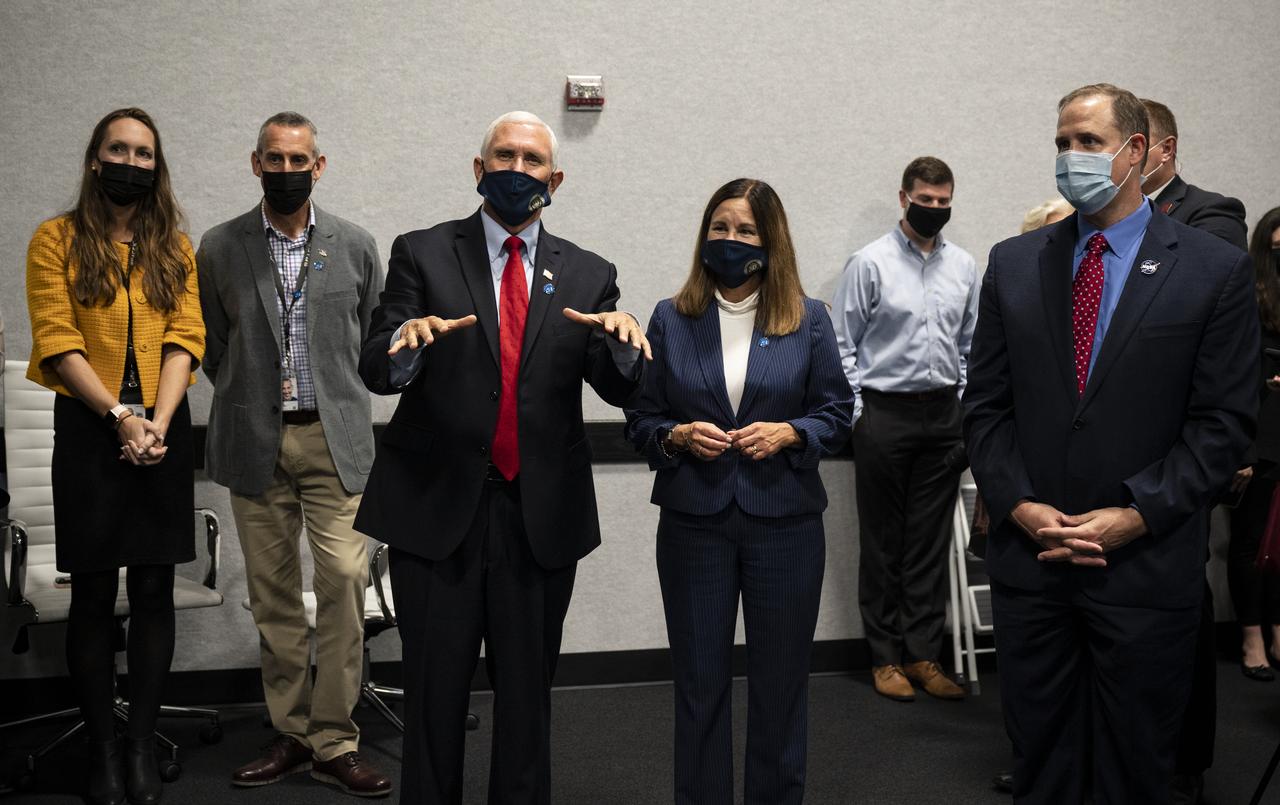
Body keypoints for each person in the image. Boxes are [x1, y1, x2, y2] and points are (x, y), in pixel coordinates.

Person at [964, 83, 1258, 804]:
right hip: (1034, 565)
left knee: (1136, 772)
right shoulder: (1014, 263)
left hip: (1145, 567)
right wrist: (1021, 506)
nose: (1071, 157)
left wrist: (1134, 513)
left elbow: (1223, 424)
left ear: (1135, 152)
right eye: (1062, 143)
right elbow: (985, 408)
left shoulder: (1213, 268)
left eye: (1088, 143)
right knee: (1042, 766)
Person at [354, 110, 649, 805]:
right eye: (504, 156)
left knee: (526, 702)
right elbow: (375, 363)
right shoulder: (422, 252)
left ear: (557, 177)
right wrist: (408, 344)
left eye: (532, 159)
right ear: (478, 168)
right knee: (432, 698)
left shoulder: (589, 271)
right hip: (436, 513)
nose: (518, 169)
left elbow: (616, 382)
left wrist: (627, 345)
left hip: (538, 518)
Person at [624, 178, 853, 804]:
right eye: (719, 228)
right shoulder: (671, 317)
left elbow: (838, 412)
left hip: (786, 523)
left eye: (746, 231)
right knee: (699, 685)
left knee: (781, 687)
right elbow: (641, 421)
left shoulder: (809, 319)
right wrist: (675, 435)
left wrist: (791, 431)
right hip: (694, 523)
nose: (730, 240)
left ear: (771, 240)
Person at [196, 112, 390, 797]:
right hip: (254, 437)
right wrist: (251, 396)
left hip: (334, 439)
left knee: (342, 579)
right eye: (273, 160)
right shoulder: (219, 247)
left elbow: (368, 339)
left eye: (297, 159)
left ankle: (335, 740)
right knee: (273, 595)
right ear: (255, 164)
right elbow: (212, 346)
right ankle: (291, 729)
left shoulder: (357, 244)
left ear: (320, 164)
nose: (285, 171)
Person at [25, 107, 205, 805]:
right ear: (96, 159)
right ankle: (102, 748)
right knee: (95, 595)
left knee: (156, 591)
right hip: (91, 429)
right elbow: (56, 335)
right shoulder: (56, 239)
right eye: (118, 149)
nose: (131, 161)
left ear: (155, 167)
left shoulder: (174, 247)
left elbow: (186, 334)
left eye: (143, 152)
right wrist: (121, 417)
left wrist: (157, 421)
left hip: (161, 426)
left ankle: (140, 746)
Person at [831, 156, 978, 701]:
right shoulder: (868, 263)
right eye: (925, 199)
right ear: (904, 197)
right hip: (884, 413)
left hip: (943, 416)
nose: (934, 208)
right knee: (884, 541)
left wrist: (962, 407)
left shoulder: (964, 266)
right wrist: (859, 416)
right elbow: (843, 345)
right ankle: (884, 658)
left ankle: (922, 656)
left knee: (928, 542)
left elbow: (969, 345)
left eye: (943, 202)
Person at [1139, 96, 1251, 805]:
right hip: (1114, 441)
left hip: (1182, 447)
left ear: (1162, 148)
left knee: (1181, 605)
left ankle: (1184, 761)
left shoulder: (1211, 212)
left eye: (1122, 142)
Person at [1228, 207, 1280, 679]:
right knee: (1248, 542)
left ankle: (1279, 628)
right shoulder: (1246, 293)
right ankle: (1250, 637)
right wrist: (1240, 449)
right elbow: (1236, 376)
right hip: (1255, 435)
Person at [1140, 99, 1248, 251]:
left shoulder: (1212, 212)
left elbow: (1213, 272)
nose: (1123, 155)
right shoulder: (1102, 213)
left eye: (1135, 145)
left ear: (1166, 149)